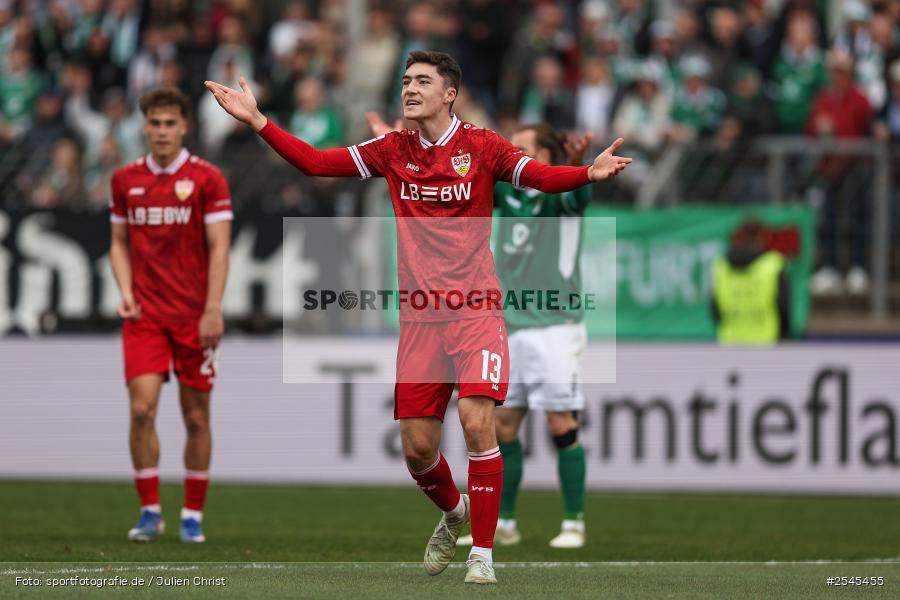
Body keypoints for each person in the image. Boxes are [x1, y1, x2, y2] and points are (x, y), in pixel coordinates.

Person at [204, 51, 630, 585]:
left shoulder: (482, 146)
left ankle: (484, 556)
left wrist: (588, 172)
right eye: (406, 80)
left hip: (477, 310)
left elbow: (539, 176)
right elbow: (315, 163)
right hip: (422, 319)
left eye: (422, 81)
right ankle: (455, 514)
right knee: (418, 449)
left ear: (448, 93)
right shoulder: (392, 149)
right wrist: (259, 120)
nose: (409, 89)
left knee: (481, 423)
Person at [456, 123, 592, 549]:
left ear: (545, 157)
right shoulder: (507, 194)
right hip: (508, 324)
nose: (510, 153)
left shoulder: (559, 194)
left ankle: (573, 521)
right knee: (503, 424)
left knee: (559, 420)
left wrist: (577, 166)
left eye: (522, 148)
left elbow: (580, 195)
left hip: (556, 325)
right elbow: (464, 185)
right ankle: (505, 523)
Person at [109, 87, 232, 544]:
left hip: (194, 316)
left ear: (185, 126)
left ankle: (193, 515)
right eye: (154, 123)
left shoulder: (207, 179)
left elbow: (221, 248)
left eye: (169, 123)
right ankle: (149, 510)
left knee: (196, 417)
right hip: (144, 315)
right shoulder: (125, 180)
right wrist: (124, 289)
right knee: (141, 408)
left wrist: (213, 309)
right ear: (145, 126)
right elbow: (118, 243)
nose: (161, 131)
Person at [711, 219, 790, 345]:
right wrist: (785, 335)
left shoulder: (722, 266)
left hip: (730, 341)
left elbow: (714, 307)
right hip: (766, 341)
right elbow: (783, 305)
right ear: (762, 237)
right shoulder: (773, 265)